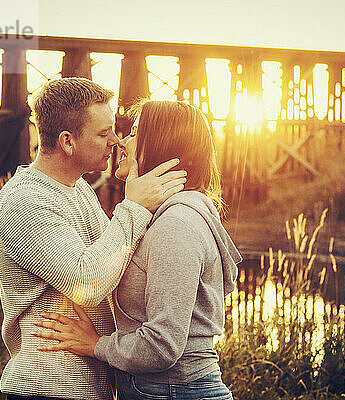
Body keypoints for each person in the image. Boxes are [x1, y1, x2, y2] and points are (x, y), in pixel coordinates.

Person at [0, 79, 187, 400]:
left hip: (84, 385)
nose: (116, 141)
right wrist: (134, 205)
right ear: (68, 141)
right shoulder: (26, 201)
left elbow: (113, 259)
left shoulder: (77, 187)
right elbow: (88, 285)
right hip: (50, 386)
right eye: (103, 133)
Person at [32, 100, 242, 400]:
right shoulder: (163, 216)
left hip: (175, 391)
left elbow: (162, 345)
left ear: (161, 145)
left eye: (134, 133)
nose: (121, 142)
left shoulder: (176, 224)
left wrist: (96, 345)